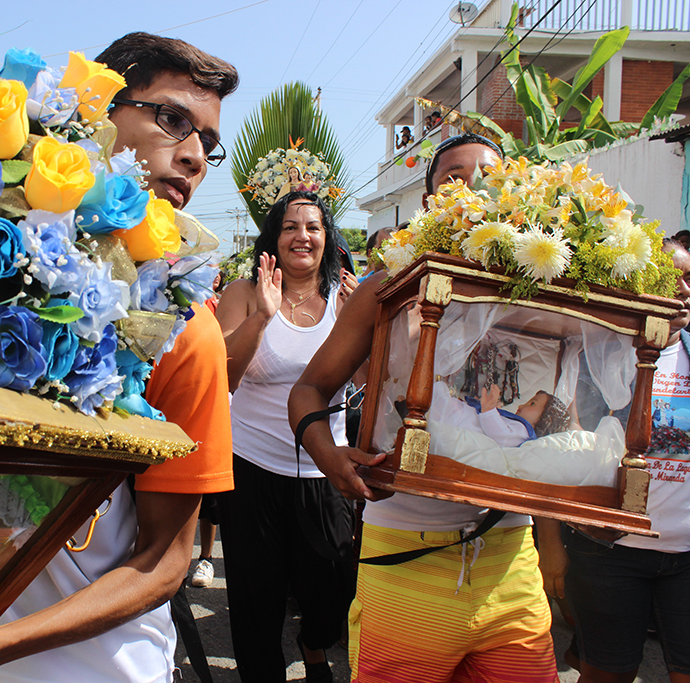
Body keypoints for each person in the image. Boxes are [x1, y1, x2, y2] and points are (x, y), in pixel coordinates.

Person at [0, 32, 238, 683]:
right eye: (174, 119)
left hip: (93, 668)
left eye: (209, 141)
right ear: (101, 115)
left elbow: (166, 559)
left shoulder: (184, 331)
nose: (196, 156)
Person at [289, 133, 562, 682]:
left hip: (508, 559)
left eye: (489, 176)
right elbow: (308, 391)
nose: (474, 189)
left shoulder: (546, 289)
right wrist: (332, 459)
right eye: (454, 179)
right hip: (404, 554)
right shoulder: (388, 290)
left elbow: (564, 423)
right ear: (431, 201)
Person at [215, 191, 355, 683]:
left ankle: (314, 646)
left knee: (330, 593)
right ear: (273, 238)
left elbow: (379, 378)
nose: (302, 236)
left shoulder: (347, 300)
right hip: (251, 470)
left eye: (313, 227)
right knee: (256, 601)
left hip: (324, 469)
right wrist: (262, 316)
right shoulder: (245, 292)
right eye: (290, 226)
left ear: (327, 238)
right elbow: (223, 376)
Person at [560, 238, 690, 683]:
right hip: (608, 553)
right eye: (672, 278)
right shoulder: (595, 353)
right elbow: (555, 447)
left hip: (687, 555)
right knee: (606, 673)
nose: (685, 290)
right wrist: (551, 547)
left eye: (689, 278)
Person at [431, 381, 570, 446]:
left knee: (438, 396)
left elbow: (500, 434)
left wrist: (489, 411)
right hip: (460, 417)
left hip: (459, 421)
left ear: (546, 420)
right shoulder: (519, 427)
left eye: (532, 403)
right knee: (439, 395)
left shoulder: (524, 433)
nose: (522, 405)